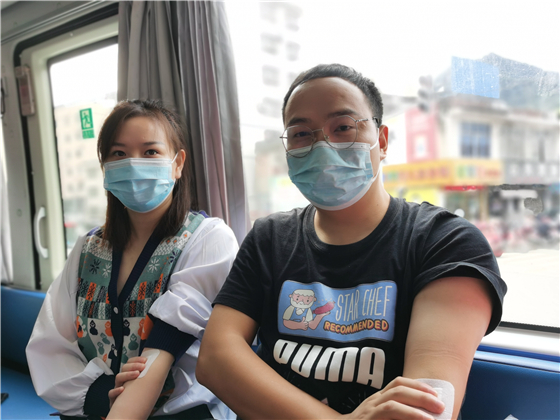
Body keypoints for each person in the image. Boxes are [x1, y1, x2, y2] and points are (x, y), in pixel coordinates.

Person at [195, 64, 507, 420]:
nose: (322, 146)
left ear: (382, 141)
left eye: (343, 127)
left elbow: (430, 407)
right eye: (301, 134)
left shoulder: (446, 242)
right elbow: (215, 358)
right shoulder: (268, 238)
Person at [26, 100, 238, 420]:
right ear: (105, 168)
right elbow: (51, 343)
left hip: (182, 412)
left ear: (178, 163)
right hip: (95, 408)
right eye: (119, 153)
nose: (133, 164)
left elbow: (172, 337)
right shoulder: (87, 249)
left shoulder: (208, 238)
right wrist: (100, 394)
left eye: (150, 151)